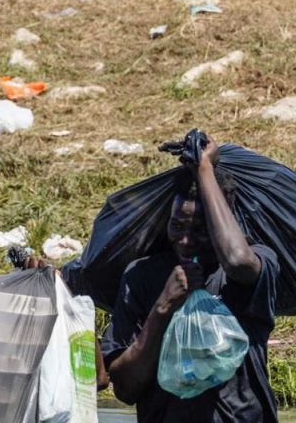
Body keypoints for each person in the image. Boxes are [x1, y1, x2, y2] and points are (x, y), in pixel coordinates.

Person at [102, 134, 283, 423]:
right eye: (177, 226)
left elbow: (236, 258)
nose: (185, 241)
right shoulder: (143, 276)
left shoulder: (253, 268)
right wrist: (163, 308)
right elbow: (125, 388)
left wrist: (204, 169)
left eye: (201, 229)